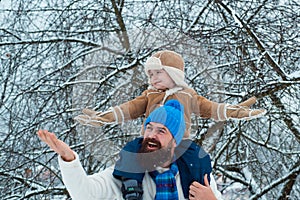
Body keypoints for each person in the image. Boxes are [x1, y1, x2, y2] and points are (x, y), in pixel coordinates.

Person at [74, 50, 266, 199]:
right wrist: (103, 117)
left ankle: (195, 191)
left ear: (174, 74)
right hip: (150, 146)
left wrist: (235, 111)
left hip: (180, 146)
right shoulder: (149, 95)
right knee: (131, 152)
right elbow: (129, 109)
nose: (153, 78)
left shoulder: (188, 96)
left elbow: (212, 108)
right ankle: (132, 184)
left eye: (158, 72)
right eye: (150, 74)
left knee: (197, 161)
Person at [37, 100, 223, 200]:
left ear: (175, 141)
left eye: (161, 131)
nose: (151, 135)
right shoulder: (126, 172)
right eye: (149, 128)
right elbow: (85, 193)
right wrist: (69, 160)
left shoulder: (196, 174)